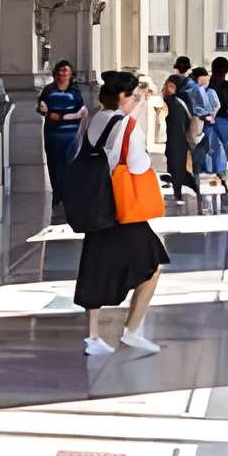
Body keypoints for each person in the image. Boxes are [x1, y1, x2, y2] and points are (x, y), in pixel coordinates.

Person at [73, 71, 168, 356]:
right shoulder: (127, 125)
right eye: (134, 97)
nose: (136, 101)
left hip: (95, 204)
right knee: (153, 264)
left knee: (95, 266)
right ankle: (132, 329)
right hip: (122, 208)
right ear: (122, 97)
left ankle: (92, 336)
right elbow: (138, 166)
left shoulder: (93, 119)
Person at [37, 61, 86, 201]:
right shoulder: (48, 90)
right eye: (60, 71)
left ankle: (68, 194)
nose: (63, 74)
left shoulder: (75, 91)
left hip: (71, 135)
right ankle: (56, 194)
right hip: (52, 134)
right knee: (53, 164)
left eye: (66, 71)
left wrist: (69, 116)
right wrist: (47, 113)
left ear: (71, 74)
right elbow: (41, 107)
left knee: (69, 164)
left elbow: (82, 109)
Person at [199, 55, 228, 203]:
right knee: (223, 147)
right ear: (226, 70)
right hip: (225, 119)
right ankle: (221, 175)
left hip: (210, 120)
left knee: (211, 147)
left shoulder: (207, 87)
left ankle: (211, 174)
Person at [162, 57, 200, 202]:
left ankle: (184, 191)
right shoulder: (178, 101)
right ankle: (185, 189)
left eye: (168, 86)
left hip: (176, 142)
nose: (164, 89)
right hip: (177, 142)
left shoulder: (174, 104)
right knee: (177, 169)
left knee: (176, 169)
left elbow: (176, 127)